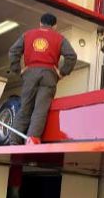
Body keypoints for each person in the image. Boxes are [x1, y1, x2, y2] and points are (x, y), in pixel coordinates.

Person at [8, 13, 77, 145]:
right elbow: (71, 56)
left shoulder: (27, 35)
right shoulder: (60, 38)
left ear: (40, 23)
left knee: (25, 108)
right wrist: (62, 72)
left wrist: (18, 70)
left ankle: (14, 140)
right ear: (55, 26)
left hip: (30, 73)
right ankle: (32, 140)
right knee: (40, 110)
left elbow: (13, 51)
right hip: (49, 75)